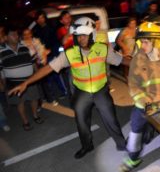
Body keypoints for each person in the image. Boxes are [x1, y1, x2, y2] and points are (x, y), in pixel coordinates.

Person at [9, 17, 128, 159]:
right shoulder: (70, 53)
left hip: (101, 91)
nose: (81, 38)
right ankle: (87, 146)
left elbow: (122, 60)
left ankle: (122, 144)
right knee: (82, 122)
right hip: (82, 93)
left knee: (111, 119)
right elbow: (48, 68)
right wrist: (26, 83)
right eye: (78, 35)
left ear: (92, 34)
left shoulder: (102, 49)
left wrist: (143, 61)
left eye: (84, 34)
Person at [119, 22, 160, 171]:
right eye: (141, 42)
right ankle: (133, 159)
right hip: (142, 108)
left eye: (145, 42)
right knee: (135, 133)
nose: (142, 45)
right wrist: (144, 102)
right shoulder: (138, 59)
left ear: (156, 41)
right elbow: (133, 84)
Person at [1, 27, 43, 131]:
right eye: (13, 34)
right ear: (6, 37)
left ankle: (35, 115)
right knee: (20, 102)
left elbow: (33, 63)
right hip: (13, 83)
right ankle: (25, 121)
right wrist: (1, 84)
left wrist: (37, 75)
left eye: (16, 34)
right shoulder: (1, 51)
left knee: (34, 98)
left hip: (29, 80)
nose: (16, 36)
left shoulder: (25, 47)